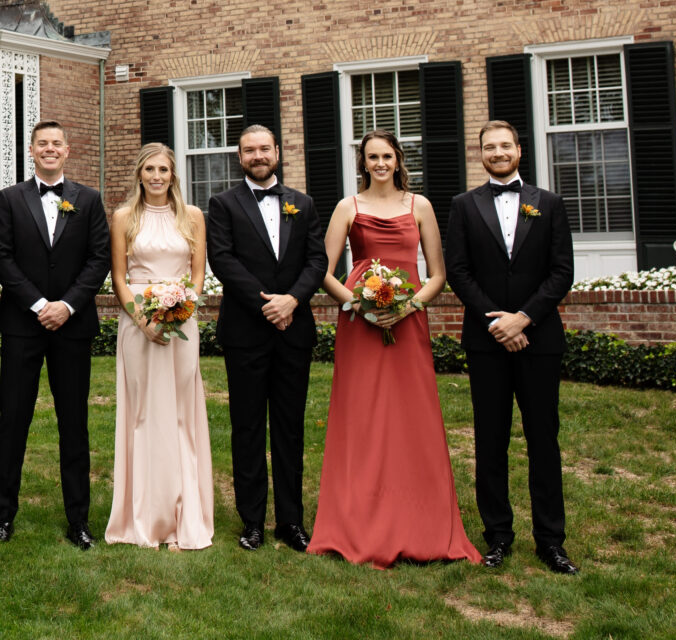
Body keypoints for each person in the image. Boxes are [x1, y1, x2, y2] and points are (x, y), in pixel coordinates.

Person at [308, 129, 480, 567]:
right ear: (362, 162)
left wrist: (406, 307)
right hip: (360, 325)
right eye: (372, 157)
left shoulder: (418, 206)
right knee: (361, 417)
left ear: (398, 160)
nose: (380, 163)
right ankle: (358, 520)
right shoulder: (348, 207)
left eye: (387, 156)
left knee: (411, 417)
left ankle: (418, 520)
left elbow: (437, 274)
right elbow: (324, 272)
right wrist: (359, 305)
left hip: (407, 323)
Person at [445, 120, 577, 574]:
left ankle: (551, 540)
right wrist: (497, 322)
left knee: (544, 440)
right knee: (491, 440)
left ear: (519, 150)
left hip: (539, 339)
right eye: (489, 147)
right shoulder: (464, 206)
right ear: (479, 153)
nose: (498, 152)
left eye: (505, 145)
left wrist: (524, 318)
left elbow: (562, 272)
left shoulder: (550, 204)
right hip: (485, 342)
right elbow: (459, 273)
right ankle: (497, 535)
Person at [0, 120, 111, 549]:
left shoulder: (89, 200)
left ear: (68, 150)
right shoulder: (10, 199)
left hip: (73, 326)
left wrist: (67, 305)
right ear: (32, 150)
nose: (50, 149)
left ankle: (79, 521)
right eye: (43, 144)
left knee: (73, 424)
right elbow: (0, 257)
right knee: (13, 420)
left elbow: (99, 259)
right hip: (24, 325)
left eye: (57, 143)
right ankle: (3, 517)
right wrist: (39, 305)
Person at [204, 123, 326, 552]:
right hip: (246, 332)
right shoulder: (222, 204)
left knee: (290, 429)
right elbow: (222, 260)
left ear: (278, 151)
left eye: (264, 149)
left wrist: (291, 301)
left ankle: (291, 521)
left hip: (294, 330)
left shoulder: (303, 204)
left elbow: (318, 260)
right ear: (239, 158)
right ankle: (252, 520)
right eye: (249, 151)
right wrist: (266, 305)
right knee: (249, 427)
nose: (258, 156)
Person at [103, 142, 214, 551]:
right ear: (139, 174)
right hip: (138, 325)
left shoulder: (193, 217)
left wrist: (183, 310)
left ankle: (186, 514)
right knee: (144, 413)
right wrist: (143, 319)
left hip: (184, 322)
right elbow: (119, 277)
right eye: (149, 169)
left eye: (163, 170)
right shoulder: (122, 217)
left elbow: (198, 275)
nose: (156, 176)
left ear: (173, 175)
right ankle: (145, 518)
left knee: (182, 413)